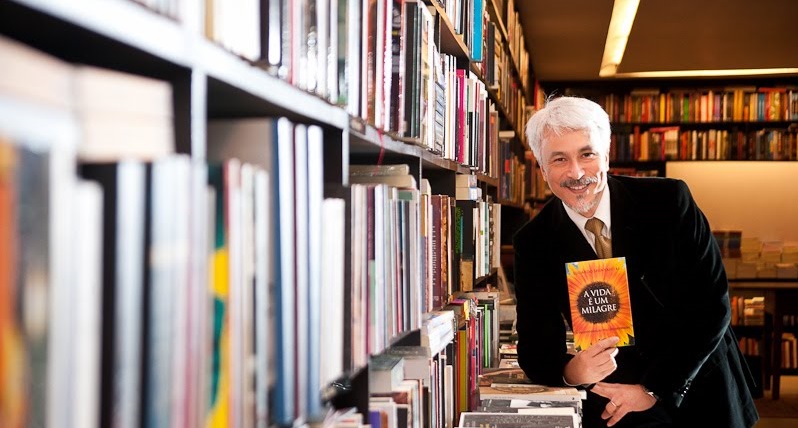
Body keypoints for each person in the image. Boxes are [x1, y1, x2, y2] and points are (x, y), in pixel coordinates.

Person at [512, 96, 759, 427]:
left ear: (607, 154)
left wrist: (653, 389)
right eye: (559, 159)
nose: (576, 172)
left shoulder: (669, 202)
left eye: (587, 154)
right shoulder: (533, 242)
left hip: (697, 385)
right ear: (542, 169)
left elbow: (713, 307)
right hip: (615, 403)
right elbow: (535, 348)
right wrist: (571, 371)